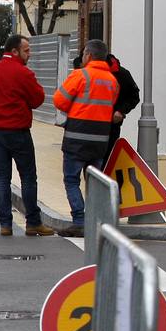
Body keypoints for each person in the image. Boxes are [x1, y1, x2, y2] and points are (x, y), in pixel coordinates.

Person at [0, 36, 55, 237]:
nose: (30, 54)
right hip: (18, 131)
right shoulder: (24, 73)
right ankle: (33, 223)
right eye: (27, 50)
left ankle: (5, 224)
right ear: (15, 51)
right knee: (28, 177)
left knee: (2, 177)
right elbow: (37, 99)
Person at [53, 39, 120, 237]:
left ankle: (80, 221)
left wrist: (74, 109)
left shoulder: (80, 75)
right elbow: (109, 104)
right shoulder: (112, 81)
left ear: (89, 56)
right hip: (100, 140)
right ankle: (95, 219)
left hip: (76, 137)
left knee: (72, 180)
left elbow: (59, 100)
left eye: (83, 55)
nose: (82, 58)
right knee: (94, 182)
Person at [106, 54, 140, 157]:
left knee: (107, 158)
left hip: (112, 125)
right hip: (89, 125)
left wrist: (121, 110)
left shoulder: (122, 74)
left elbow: (134, 96)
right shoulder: (87, 72)